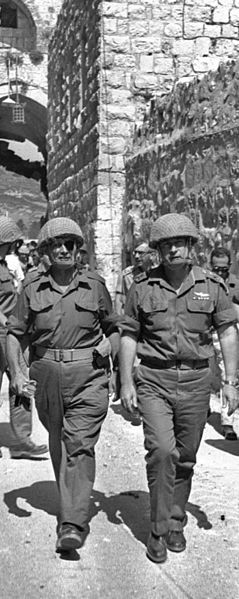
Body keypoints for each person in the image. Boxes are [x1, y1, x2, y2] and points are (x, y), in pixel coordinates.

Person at [119, 213, 239, 564]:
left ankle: (175, 521)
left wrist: (231, 383)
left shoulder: (213, 286)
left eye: (180, 243)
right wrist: (126, 382)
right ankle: (157, 530)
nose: (173, 250)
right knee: (161, 452)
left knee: (185, 458)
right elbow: (129, 334)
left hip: (197, 382)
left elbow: (228, 333)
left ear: (192, 246)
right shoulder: (142, 288)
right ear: (158, 251)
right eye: (166, 245)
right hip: (154, 379)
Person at [6, 217, 119, 552]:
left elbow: (113, 326)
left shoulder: (95, 284)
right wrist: (16, 373)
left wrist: (109, 344)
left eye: (70, 244)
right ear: (46, 251)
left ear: (78, 250)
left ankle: (72, 522)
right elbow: (15, 333)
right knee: (58, 439)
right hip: (45, 373)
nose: (64, 250)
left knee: (78, 443)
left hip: (88, 375)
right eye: (57, 245)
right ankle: (71, 498)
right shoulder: (30, 288)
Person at [0, 215, 47, 459]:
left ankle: (22, 441)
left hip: (11, 333)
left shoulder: (1, 262)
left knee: (21, 382)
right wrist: (6, 323)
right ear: (8, 241)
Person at [209, 247, 239, 440]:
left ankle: (228, 421)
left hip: (225, 336)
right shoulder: (201, 282)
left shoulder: (236, 284)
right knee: (206, 374)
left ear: (229, 266)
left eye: (223, 269)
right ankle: (202, 406)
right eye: (216, 269)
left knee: (227, 375)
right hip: (202, 335)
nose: (219, 273)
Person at [115, 242, 156, 314]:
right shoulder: (127, 275)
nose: (137, 256)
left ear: (151, 255)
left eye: (141, 253)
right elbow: (120, 299)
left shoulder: (160, 273)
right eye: (135, 253)